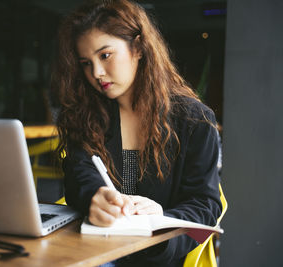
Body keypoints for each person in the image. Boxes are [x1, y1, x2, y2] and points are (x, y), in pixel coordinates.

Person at [51, 0, 222, 266]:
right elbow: (78, 176)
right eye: (86, 62)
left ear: (139, 48)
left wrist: (161, 217)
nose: (96, 72)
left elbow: (204, 204)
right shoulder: (86, 113)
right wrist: (95, 196)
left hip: (156, 256)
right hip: (95, 250)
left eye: (105, 55)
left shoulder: (194, 120)